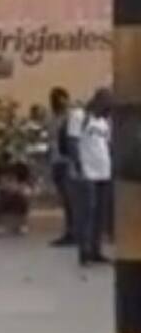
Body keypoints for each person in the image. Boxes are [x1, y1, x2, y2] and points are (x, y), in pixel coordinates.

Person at [72, 88, 112, 266]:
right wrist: (78, 165)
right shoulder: (80, 116)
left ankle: (96, 250)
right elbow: (72, 141)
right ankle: (85, 252)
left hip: (104, 171)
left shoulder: (103, 122)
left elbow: (106, 145)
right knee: (87, 212)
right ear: (98, 101)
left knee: (100, 214)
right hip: (87, 171)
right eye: (107, 104)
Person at [47, 87, 78, 247]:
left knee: (71, 199)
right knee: (65, 200)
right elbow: (51, 141)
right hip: (56, 161)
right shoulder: (52, 118)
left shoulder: (71, 117)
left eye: (61, 99)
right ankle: (70, 231)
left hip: (67, 162)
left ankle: (74, 232)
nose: (59, 102)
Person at [0, 150, 32, 235]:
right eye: (5, 161)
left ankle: (22, 224)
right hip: (2, 190)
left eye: (9, 161)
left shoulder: (20, 167)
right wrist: (0, 188)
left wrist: (18, 188)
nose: (7, 164)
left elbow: (25, 182)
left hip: (17, 189)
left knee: (25, 194)